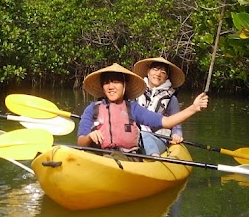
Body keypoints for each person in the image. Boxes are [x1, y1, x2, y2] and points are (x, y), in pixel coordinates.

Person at [76, 63, 208, 155]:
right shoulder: (92, 109)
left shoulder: (133, 108)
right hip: (99, 156)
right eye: (106, 82)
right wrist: (89, 137)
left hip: (126, 158)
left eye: (116, 82)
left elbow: (167, 122)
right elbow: (81, 141)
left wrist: (194, 108)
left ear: (125, 86)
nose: (111, 86)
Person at [132, 57, 187, 151]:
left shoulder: (171, 99)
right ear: (148, 71)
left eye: (163, 72)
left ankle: (153, 157)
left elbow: (176, 125)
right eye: (155, 69)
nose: (158, 74)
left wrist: (176, 134)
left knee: (145, 136)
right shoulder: (135, 93)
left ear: (167, 77)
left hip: (158, 138)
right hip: (134, 135)